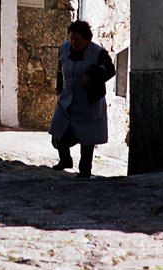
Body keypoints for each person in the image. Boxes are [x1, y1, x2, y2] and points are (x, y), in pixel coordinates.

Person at [48, 20, 116, 178]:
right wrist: (59, 87)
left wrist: (94, 76)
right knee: (58, 132)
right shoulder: (64, 48)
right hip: (67, 99)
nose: (73, 42)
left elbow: (110, 70)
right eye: (72, 38)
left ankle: (85, 170)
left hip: (88, 103)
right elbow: (60, 69)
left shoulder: (98, 52)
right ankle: (65, 160)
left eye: (77, 39)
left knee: (87, 138)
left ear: (87, 39)